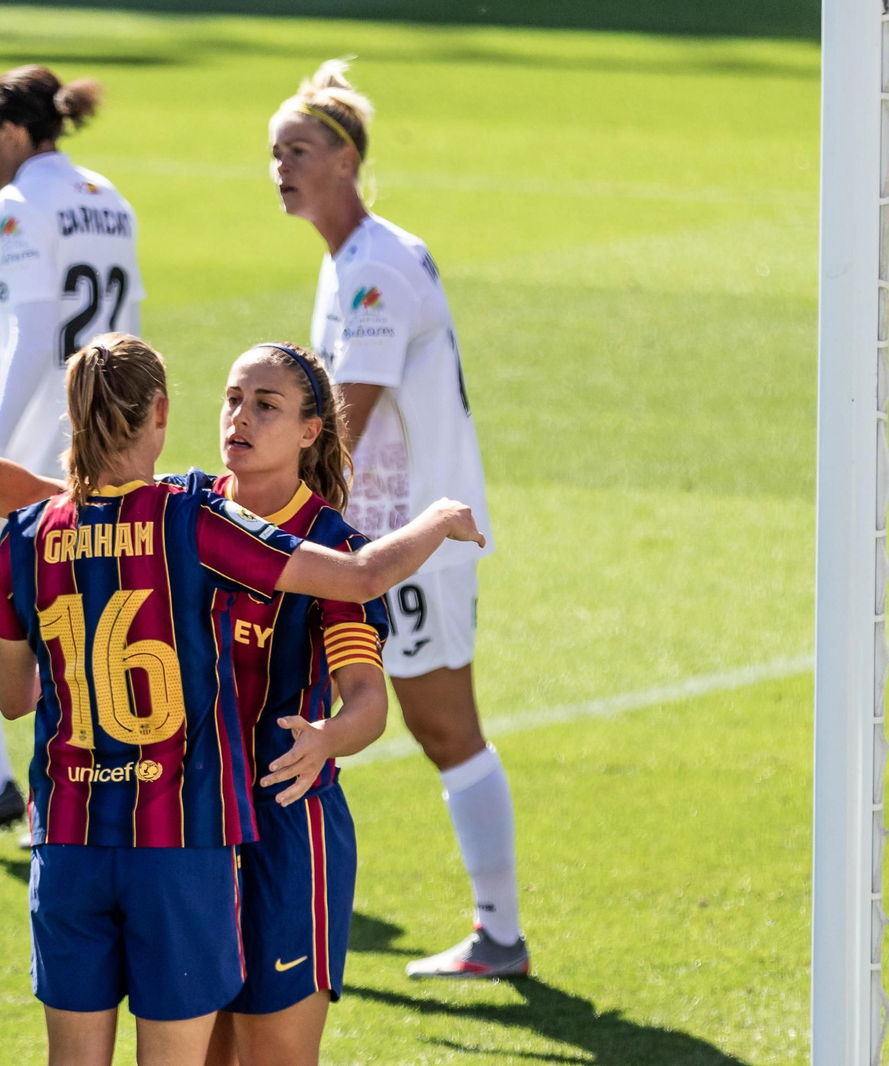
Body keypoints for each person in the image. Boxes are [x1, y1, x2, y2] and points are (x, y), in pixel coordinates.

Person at [0, 334, 481, 1066]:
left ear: (311, 431)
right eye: (232, 399)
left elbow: (369, 698)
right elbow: (98, 511)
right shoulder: (188, 509)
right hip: (184, 823)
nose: (239, 418)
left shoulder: (326, 541)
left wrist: (328, 739)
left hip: (281, 824)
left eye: (265, 406)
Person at [269, 58, 527, 978]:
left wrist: (282, 516)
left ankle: (500, 933)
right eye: (273, 154)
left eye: (297, 150)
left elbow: (349, 413)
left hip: (412, 539)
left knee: (445, 726)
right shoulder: (357, 260)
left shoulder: (374, 265)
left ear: (345, 157)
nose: (281, 168)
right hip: (385, 536)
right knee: (404, 720)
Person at [0, 63, 148, 847]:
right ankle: (93, 788)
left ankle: (1, 783)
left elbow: (34, 335)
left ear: (13, 129)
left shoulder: (20, 203)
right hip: (110, 428)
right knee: (98, 609)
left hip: (40, 431)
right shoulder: (109, 198)